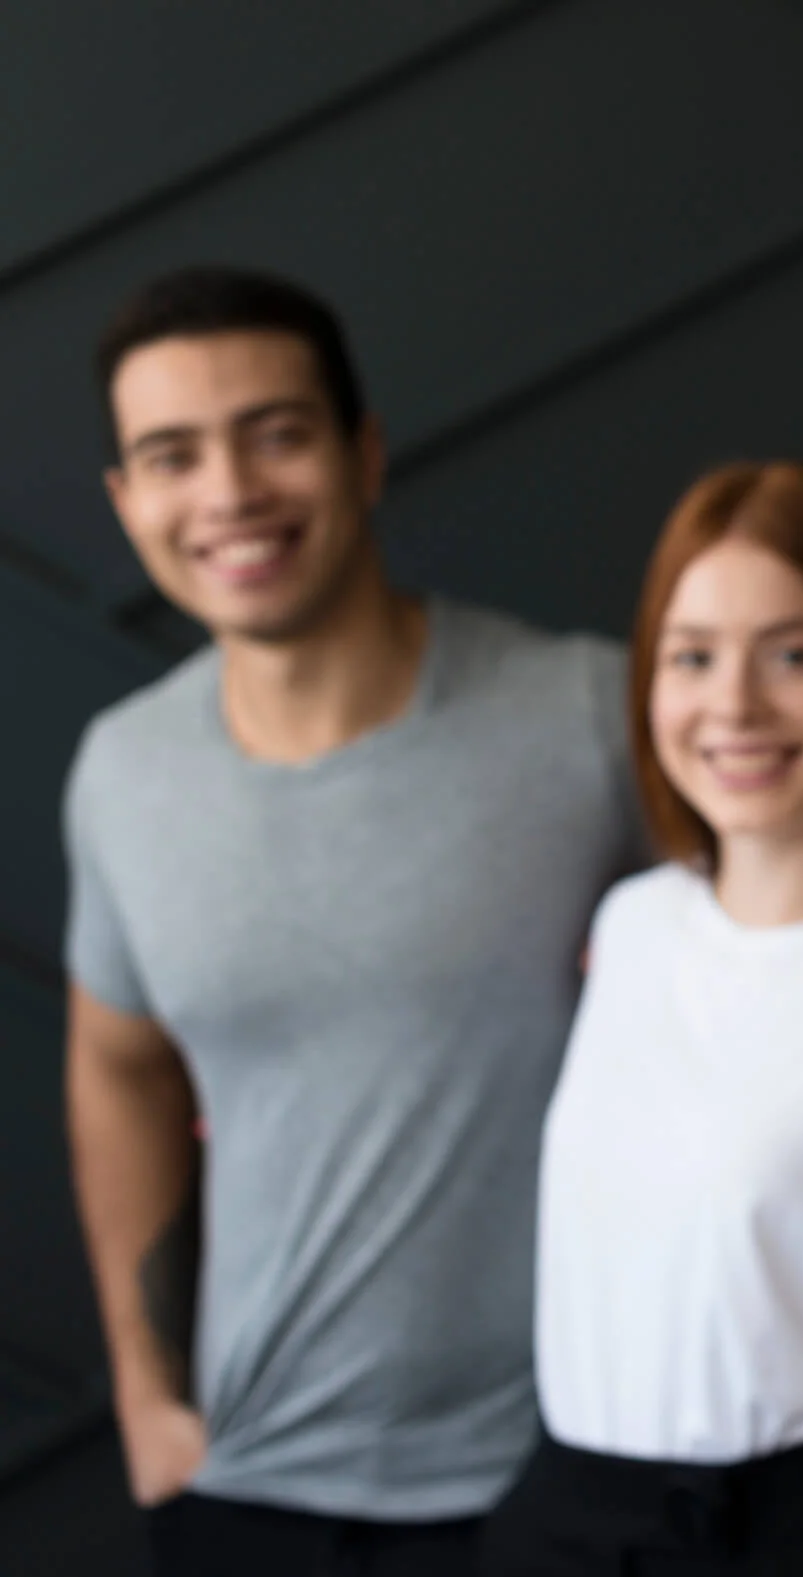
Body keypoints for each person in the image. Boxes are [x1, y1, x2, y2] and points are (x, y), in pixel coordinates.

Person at [63, 267, 645, 1575]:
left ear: (363, 453)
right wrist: (148, 1398)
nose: (228, 494)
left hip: (559, 1476)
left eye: (275, 432)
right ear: (126, 503)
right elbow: (119, 1062)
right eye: (172, 455)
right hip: (245, 1491)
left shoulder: (587, 717)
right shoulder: (121, 769)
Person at [479, 462, 803, 1576]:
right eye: (692, 656)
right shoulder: (632, 925)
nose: (733, 704)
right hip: (565, 1511)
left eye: (793, 654)